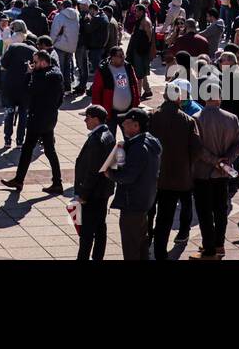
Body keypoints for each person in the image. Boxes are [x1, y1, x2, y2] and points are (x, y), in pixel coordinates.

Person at [190, 77, 239, 260]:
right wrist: (226, 160)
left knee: (204, 212)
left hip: (202, 174)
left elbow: (196, 149)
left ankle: (209, 247)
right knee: (221, 210)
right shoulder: (231, 118)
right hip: (222, 173)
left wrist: (214, 161)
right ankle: (220, 245)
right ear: (220, 97)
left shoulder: (195, 119)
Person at [149, 78, 202, 258]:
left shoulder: (153, 116)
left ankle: (153, 246)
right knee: (169, 214)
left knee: (155, 214)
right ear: (179, 99)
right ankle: (166, 247)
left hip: (157, 175)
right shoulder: (188, 121)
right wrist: (186, 164)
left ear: (164, 96)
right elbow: (196, 149)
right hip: (179, 177)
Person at [1, 49, 63, 194]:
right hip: (49, 118)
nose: (33, 65)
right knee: (49, 151)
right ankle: (57, 182)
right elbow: (59, 99)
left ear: (43, 62)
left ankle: (19, 180)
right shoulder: (56, 74)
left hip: (38, 119)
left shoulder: (42, 76)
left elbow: (28, 91)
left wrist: (29, 74)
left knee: (28, 150)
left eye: (35, 62)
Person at [107, 107, 161, 260]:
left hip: (133, 203)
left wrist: (110, 173)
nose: (123, 124)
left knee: (131, 247)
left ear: (136, 126)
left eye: (127, 122)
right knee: (141, 243)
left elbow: (128, 176)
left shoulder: (138, 148)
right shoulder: (151, 141)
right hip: (145, 201)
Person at [72, 104, 116, 261]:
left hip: (92, 194)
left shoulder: (97, 140)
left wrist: (83, 194)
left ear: (96, 119)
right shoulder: (108, 134)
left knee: (87, 233)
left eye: (88, 117)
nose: (85, 120)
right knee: (100, 227)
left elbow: (92, 172)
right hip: (103, 191)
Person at [90, 46, 141, 134]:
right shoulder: (104, 70)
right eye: (120, 56)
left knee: (130, 138)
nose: (123, 58)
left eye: (123, 55)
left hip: (127, 112)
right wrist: (97, 112)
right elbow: (96, 91)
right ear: (112, 58)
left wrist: (136, 102)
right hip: (110, 113)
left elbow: (134, 85)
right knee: (109, 138)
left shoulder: (128, 67)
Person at [0, 24, 34, 149]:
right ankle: (20, 140)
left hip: (10, 85)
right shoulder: (33, 51)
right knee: (23, 113)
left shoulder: (13, 47)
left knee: (9, 112)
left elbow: (3, 63)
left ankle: (7, 139)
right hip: (25, 87)